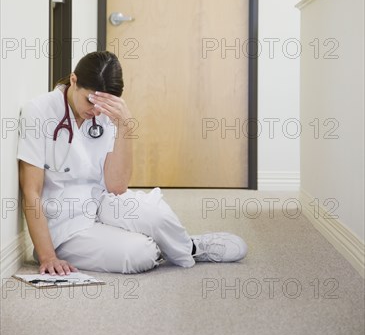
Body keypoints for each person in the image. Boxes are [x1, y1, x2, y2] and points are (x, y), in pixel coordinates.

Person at [17, 51, 248, 275]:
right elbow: (31, 191)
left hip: (102, 201)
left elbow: (116, 187)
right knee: (138, 253)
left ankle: (189, 247)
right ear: (74, 80)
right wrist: (48, 256)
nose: (95, 110)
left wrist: (125, 126)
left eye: (104, 103)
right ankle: (169, 245)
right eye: (90, 100)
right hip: (65, 225)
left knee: (157, 215)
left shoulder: (105, 113)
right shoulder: (38, 112)